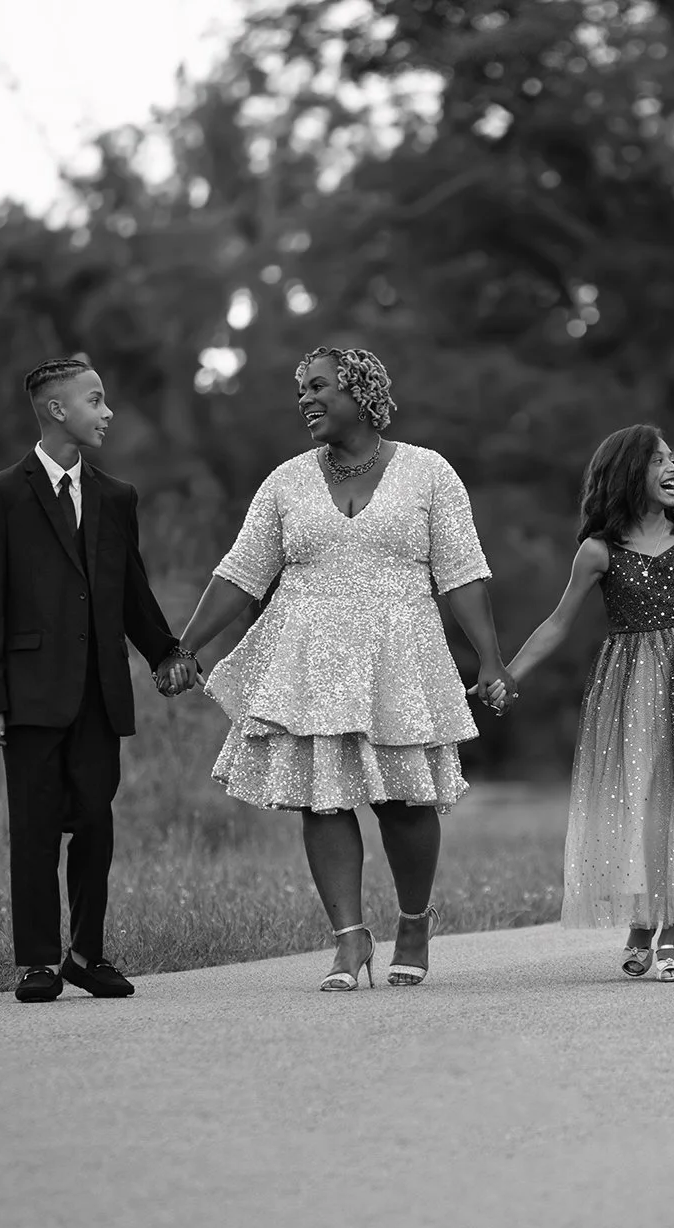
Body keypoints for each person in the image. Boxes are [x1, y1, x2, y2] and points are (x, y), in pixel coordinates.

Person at [172, 346, 513, 991]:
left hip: (399, 656)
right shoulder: (285, 482)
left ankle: (413, 923)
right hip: (311, 662)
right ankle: (349, 938)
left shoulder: (428, 472)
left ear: (361, 392)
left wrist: (490, 660)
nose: (305, 399)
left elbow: (463, 573)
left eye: (318, 386)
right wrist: (185, 647)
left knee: (404, 800)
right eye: (300, 389)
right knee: (323, 801)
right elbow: (241, 575)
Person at [486, 425, 674, 981]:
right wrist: (508, 674)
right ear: (629, 472)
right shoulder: (598, 551)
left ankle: (671, 933)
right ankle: (643, 920)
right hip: (633, 682)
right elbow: (557, 623)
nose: (673, 469)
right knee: (645, 800)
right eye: (658, 461)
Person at [0, 358, 196, 1003]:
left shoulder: (116, 498)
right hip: (30, 693)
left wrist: (167, 653)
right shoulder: (2, 494)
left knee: (95, 820)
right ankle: (38, 961)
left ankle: (86, 955)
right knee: (35, 827)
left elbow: (132, 592)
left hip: (99, 691)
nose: (107, 412)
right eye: (95, 401)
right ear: (57, 410)